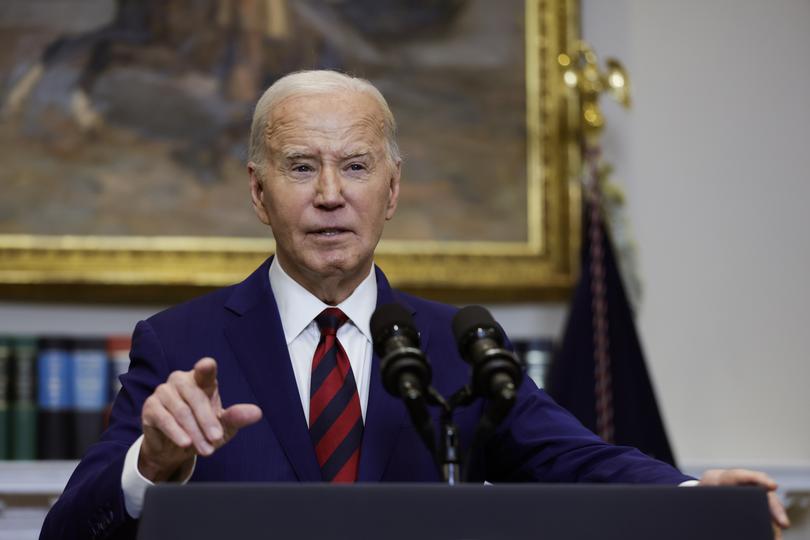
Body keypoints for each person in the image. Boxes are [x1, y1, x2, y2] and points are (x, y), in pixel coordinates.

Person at [40, 70, 789, 539]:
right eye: (302, 167)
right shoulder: (181, 343)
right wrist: (153, 463)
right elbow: (69, 532)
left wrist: (695, 495)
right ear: (259, 191)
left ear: (391, 191)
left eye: (356, 167)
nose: (330, 194)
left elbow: (575, 460)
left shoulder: (456, 342)